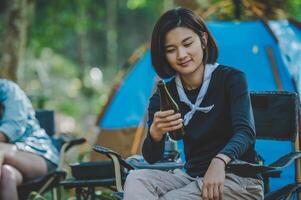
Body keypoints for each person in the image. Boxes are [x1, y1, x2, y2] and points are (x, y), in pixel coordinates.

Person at [123, 7, 263, 200]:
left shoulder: (231, 79)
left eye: (187, 43)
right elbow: (152, 157)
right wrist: (155, 133)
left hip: (238, 179)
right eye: (171, 50)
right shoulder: (164, 95)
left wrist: (219, 161)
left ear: (203, 40)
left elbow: (245, 132)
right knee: (135, 180)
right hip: (192, 176)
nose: (181, 55)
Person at [0, 79, 59, 200]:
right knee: (7, 175)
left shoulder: (7, 89)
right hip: (7, 165)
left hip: (38, 156)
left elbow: (12, 128)